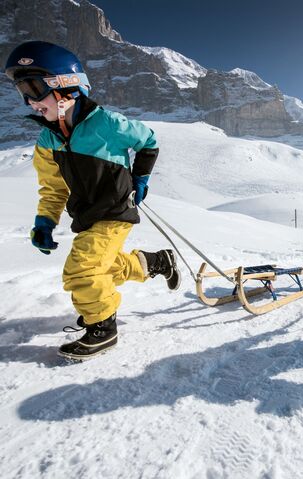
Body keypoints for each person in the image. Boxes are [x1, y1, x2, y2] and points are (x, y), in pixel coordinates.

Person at [5, 41, 182, 360]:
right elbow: (53, 187)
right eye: (23, 92)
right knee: (103, 267)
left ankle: (103, 327)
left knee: (81, 271)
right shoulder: (47, 141)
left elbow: (148, 141)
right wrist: (45, 221)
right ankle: (156, 262)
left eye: (33, 88)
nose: (30, 101)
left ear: (64, 85)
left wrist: (140, 178)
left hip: (115, 210)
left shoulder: (106, 124)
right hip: (86, 214)